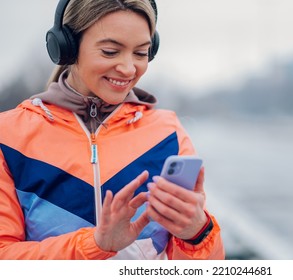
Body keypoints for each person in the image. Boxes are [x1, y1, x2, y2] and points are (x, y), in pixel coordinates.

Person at [0, 0, 225, 260]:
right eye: (110, 52)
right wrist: (96, 244)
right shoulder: (9, 137)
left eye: (140, 53)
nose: (129, 68)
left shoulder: (168, 134)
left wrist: (197, 234)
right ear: (67, 48)